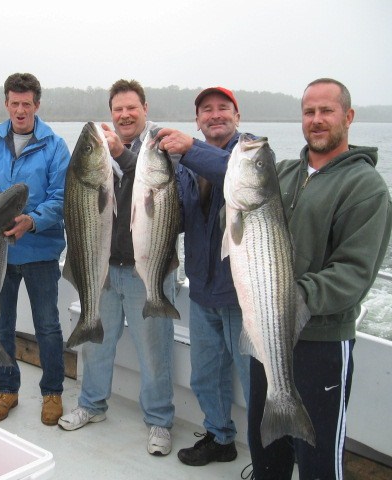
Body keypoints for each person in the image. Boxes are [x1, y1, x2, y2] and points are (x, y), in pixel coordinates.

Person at [246, 78, 392, 479]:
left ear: (348, 116)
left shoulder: (366, 188)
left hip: (321, 343)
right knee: (266, 450)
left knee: (318, 458)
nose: (317, 120)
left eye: (326, 111)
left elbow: (353, 274)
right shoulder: (283, 173)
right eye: (309, 112)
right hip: (266, 336)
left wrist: (286, 297)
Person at [58, 79, 176, 456]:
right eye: (117, 109)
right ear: (112, 112)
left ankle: (159, 421)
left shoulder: (162, 148)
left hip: (149, 270)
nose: (124, 115)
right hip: (103, 266)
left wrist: (122, 153)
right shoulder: (98, 154)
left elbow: (155, 194)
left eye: (131, 108)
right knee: (96, 345)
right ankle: (91, 405)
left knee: (154, 352)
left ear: (145, 108)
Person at [155, 87, 251, 466]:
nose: (215, 115)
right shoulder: (186, 168)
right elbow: (175, 217)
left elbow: (236, 176)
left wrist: (191, 148)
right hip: (201, 290)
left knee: (252, 376)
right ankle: (220, 437)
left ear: (237, 116)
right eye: (206, 110)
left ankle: (271, 449)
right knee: (205, 374)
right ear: (197, 120)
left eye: (222, 108)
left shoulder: (252, 154)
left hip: (242, 296)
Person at [0, 72, 70, 426]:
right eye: (14, 103)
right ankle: (7, 389)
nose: (20, 110)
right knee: (2, 322)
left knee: (48, 325)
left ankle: (52, 391)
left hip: (41, 251)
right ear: (6, 103)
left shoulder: (56, 146)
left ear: (37, 105)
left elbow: (61, 198)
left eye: (27, 103)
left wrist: (32, 221)